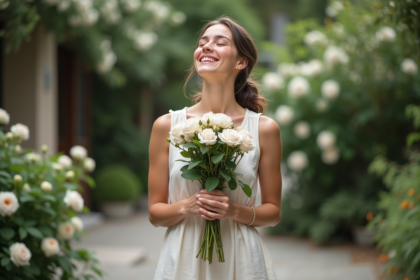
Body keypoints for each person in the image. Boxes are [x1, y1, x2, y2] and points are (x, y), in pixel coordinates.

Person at [148, 16, 282, 280]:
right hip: (183, 258)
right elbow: (155, 213)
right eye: (202, 43)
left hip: (241, 259)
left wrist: (234, 211)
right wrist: (186, 207)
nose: (206, 47)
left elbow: (273, 212)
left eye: (220, 43)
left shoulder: (264, 129)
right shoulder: (166, 126)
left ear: (241, 62)